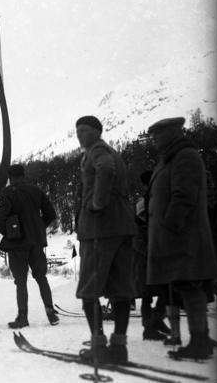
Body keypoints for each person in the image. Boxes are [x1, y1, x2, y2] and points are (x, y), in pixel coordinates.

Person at [145, 117, 217, 360]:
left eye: (157, 134)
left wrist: (169, 227)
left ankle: (200, 341)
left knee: (191, 287)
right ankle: (200, 339)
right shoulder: (170, 158)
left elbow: (184, 196)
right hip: (176, 237)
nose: (153, 139)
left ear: (172, 133)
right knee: (185, 288)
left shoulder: (184, 156)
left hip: (183, 237)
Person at [73, 115, 137, 364]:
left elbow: (106, 169)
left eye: (84, 130)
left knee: (89, 289)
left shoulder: (97, 150)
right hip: (121, 226)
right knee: (121, 291)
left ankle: (98, 347)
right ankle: (119, 347)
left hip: (100, 229)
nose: (80, 135)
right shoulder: (111, 150)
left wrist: (97, 203)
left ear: (97, 132)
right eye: (77, 131)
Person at [0, 163, 60, 328]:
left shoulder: (7, 192)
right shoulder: (36, 191)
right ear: (23, 175)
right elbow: (50, 214)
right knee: (41, 278)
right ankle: (50, 312)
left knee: (21, 281)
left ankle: (23, 317)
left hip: (17, 243)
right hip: (36, 241)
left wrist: (9, 233)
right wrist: (38, 227)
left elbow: (0, 218)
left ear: (10, 178)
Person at [132, 170, 172, 341]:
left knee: (166, 293)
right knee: (147, 296)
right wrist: (150, 249)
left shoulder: (152, 215)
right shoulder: (137, 227)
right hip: (143, 264)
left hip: (154, 261)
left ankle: (157, 319)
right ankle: (148, 327)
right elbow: (137, 244)